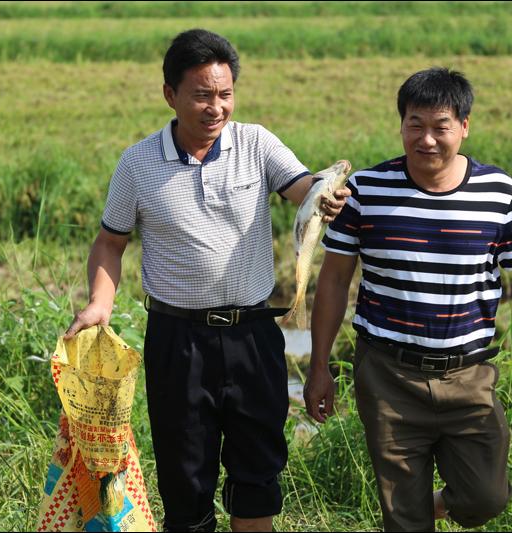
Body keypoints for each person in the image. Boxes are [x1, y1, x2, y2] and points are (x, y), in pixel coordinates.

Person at [304, 67, 512, 532]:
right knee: (403, 517)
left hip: (468, 375)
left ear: (464, 126)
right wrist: (319, 366)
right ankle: (411, 513)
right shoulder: (366, 191)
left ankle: (432, 505)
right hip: (387, 375)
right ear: (401, 125)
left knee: (486, 497)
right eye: (415, 125)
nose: (426, 139)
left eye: (440, 127)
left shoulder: (497, 192)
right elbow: (334, 281)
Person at [64, 28, 349, 532]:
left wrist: (325, 192)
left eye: (224, 94)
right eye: (201, 95)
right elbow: (110, 243)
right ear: (170, 95)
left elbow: (303, 188)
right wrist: (99, 303)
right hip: (179, 343)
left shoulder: (256, 143)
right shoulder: (137, 164)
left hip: (253, 336)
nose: (215, 108)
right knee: (185, 481)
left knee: (257, 477)